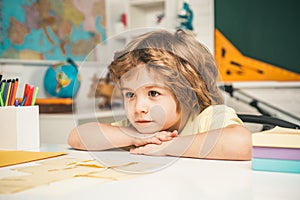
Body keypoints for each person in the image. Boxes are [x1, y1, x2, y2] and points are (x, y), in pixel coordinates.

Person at [68, 29, 252, 160]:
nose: (139, 108)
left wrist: (169, 147)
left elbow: (243, 143)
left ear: (186, 92)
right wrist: (131, 136)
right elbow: (76, 137)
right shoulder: (137, 130)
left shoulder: (207, 118)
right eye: (130, 94)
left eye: (153, 93)